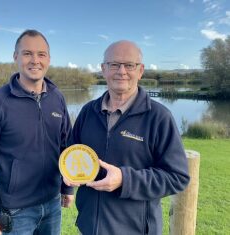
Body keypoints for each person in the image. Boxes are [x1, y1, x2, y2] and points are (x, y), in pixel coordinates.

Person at [65, 40, 190, 235]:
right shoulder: (88, 111)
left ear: (140, 71)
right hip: (89, 227)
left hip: (135, 230)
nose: (121, 71)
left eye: (129, 65)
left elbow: (177, 177)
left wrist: (125, 179)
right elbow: (72, 153)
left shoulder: (159, 117)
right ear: (103, 69)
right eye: (114, 64)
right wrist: (69, 173)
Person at [0, 29, 74, 235]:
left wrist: (67, 188)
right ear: (16, 57)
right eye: (27, 53)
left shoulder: (57, 97)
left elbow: (66, 146)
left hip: (52, 205)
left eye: (41, 54)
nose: (35, 60)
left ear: (49, 59)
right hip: (15, 212)